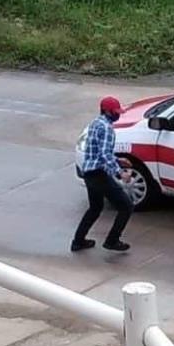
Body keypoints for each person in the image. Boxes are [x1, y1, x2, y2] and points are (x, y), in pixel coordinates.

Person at [71, 96, 134, 253]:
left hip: (89, 173)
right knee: (126, 206)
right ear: (107, 111)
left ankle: (78, 241)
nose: (117, 115)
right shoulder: (107, 128)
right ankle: (112, 240)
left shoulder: (95, 123)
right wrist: (120, 173)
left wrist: (118, 160)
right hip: (99, 174)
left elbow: (99, 152)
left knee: (95, 208)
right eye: (115, 112)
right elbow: (105, 154)